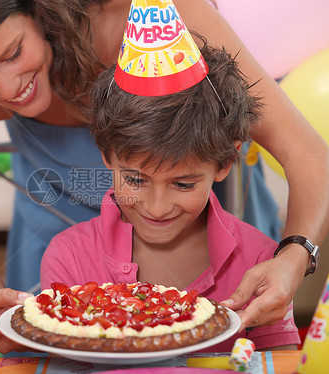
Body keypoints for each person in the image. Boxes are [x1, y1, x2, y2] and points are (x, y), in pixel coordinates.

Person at [0, 0, 329, 353]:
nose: (5, 88)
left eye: (13, 53)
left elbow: (312, 158)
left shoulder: (149, 16)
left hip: (210, 253)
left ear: (37, 10)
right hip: (61, 268)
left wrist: (293, 258)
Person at [41, 43, 300, 351]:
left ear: (225, 163)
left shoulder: (260, 262)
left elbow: (277, 364)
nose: (157, 207)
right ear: (106, 154)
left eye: (182, 184)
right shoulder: (69, 257)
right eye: (136, 180)